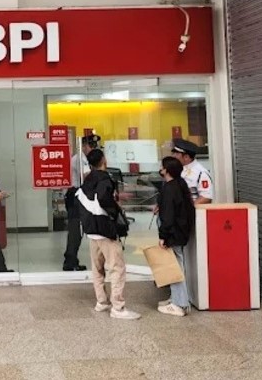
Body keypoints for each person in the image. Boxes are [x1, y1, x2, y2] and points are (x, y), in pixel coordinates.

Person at [77, 148, 141, 320]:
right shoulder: (105, 179)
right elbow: (105, 199)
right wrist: (114, 214)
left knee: (97, 269)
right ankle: (118, 307)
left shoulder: (87, 179)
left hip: (91, 231)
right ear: (103, 160)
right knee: (117, 268)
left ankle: (102, 302)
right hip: (105, 230)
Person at [156, 156, 196, 317]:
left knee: (175, 267)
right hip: (181, 231)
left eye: (162, 166)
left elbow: (169, 215)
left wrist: (163, 236)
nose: (160, 169)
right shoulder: (180, 184)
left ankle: (179, 304)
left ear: (167, 170)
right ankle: (177, 297)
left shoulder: (169, 189)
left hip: (173, 233)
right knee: (177, 264)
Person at [63, 135, 99, 271]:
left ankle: (72, 259)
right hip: (74, 195)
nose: (92, 149)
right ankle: (70, 261)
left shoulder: (82, 158)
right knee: (75, 230)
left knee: (77, 230)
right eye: (91, 146)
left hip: (77, 194)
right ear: (83, 145)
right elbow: (86, 176)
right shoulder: (80, 158)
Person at [171, 138, 214, 204]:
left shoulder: (201, 173)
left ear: (186, 157)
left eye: (176, 154)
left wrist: (188, 208)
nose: (173, 156)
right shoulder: (176, 169)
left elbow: (206, 197)